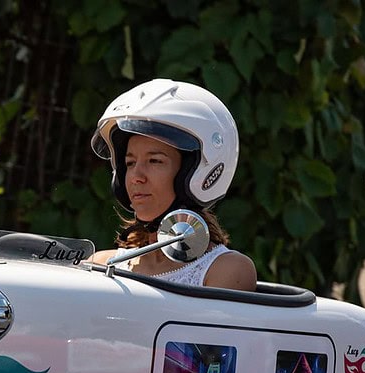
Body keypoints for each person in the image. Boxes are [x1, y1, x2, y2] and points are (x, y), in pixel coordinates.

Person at [89, 78, 257, 292]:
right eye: (130, 163)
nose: (135, 177)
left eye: (154, 161)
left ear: (195, 171)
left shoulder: (227, 270)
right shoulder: (101, 263)